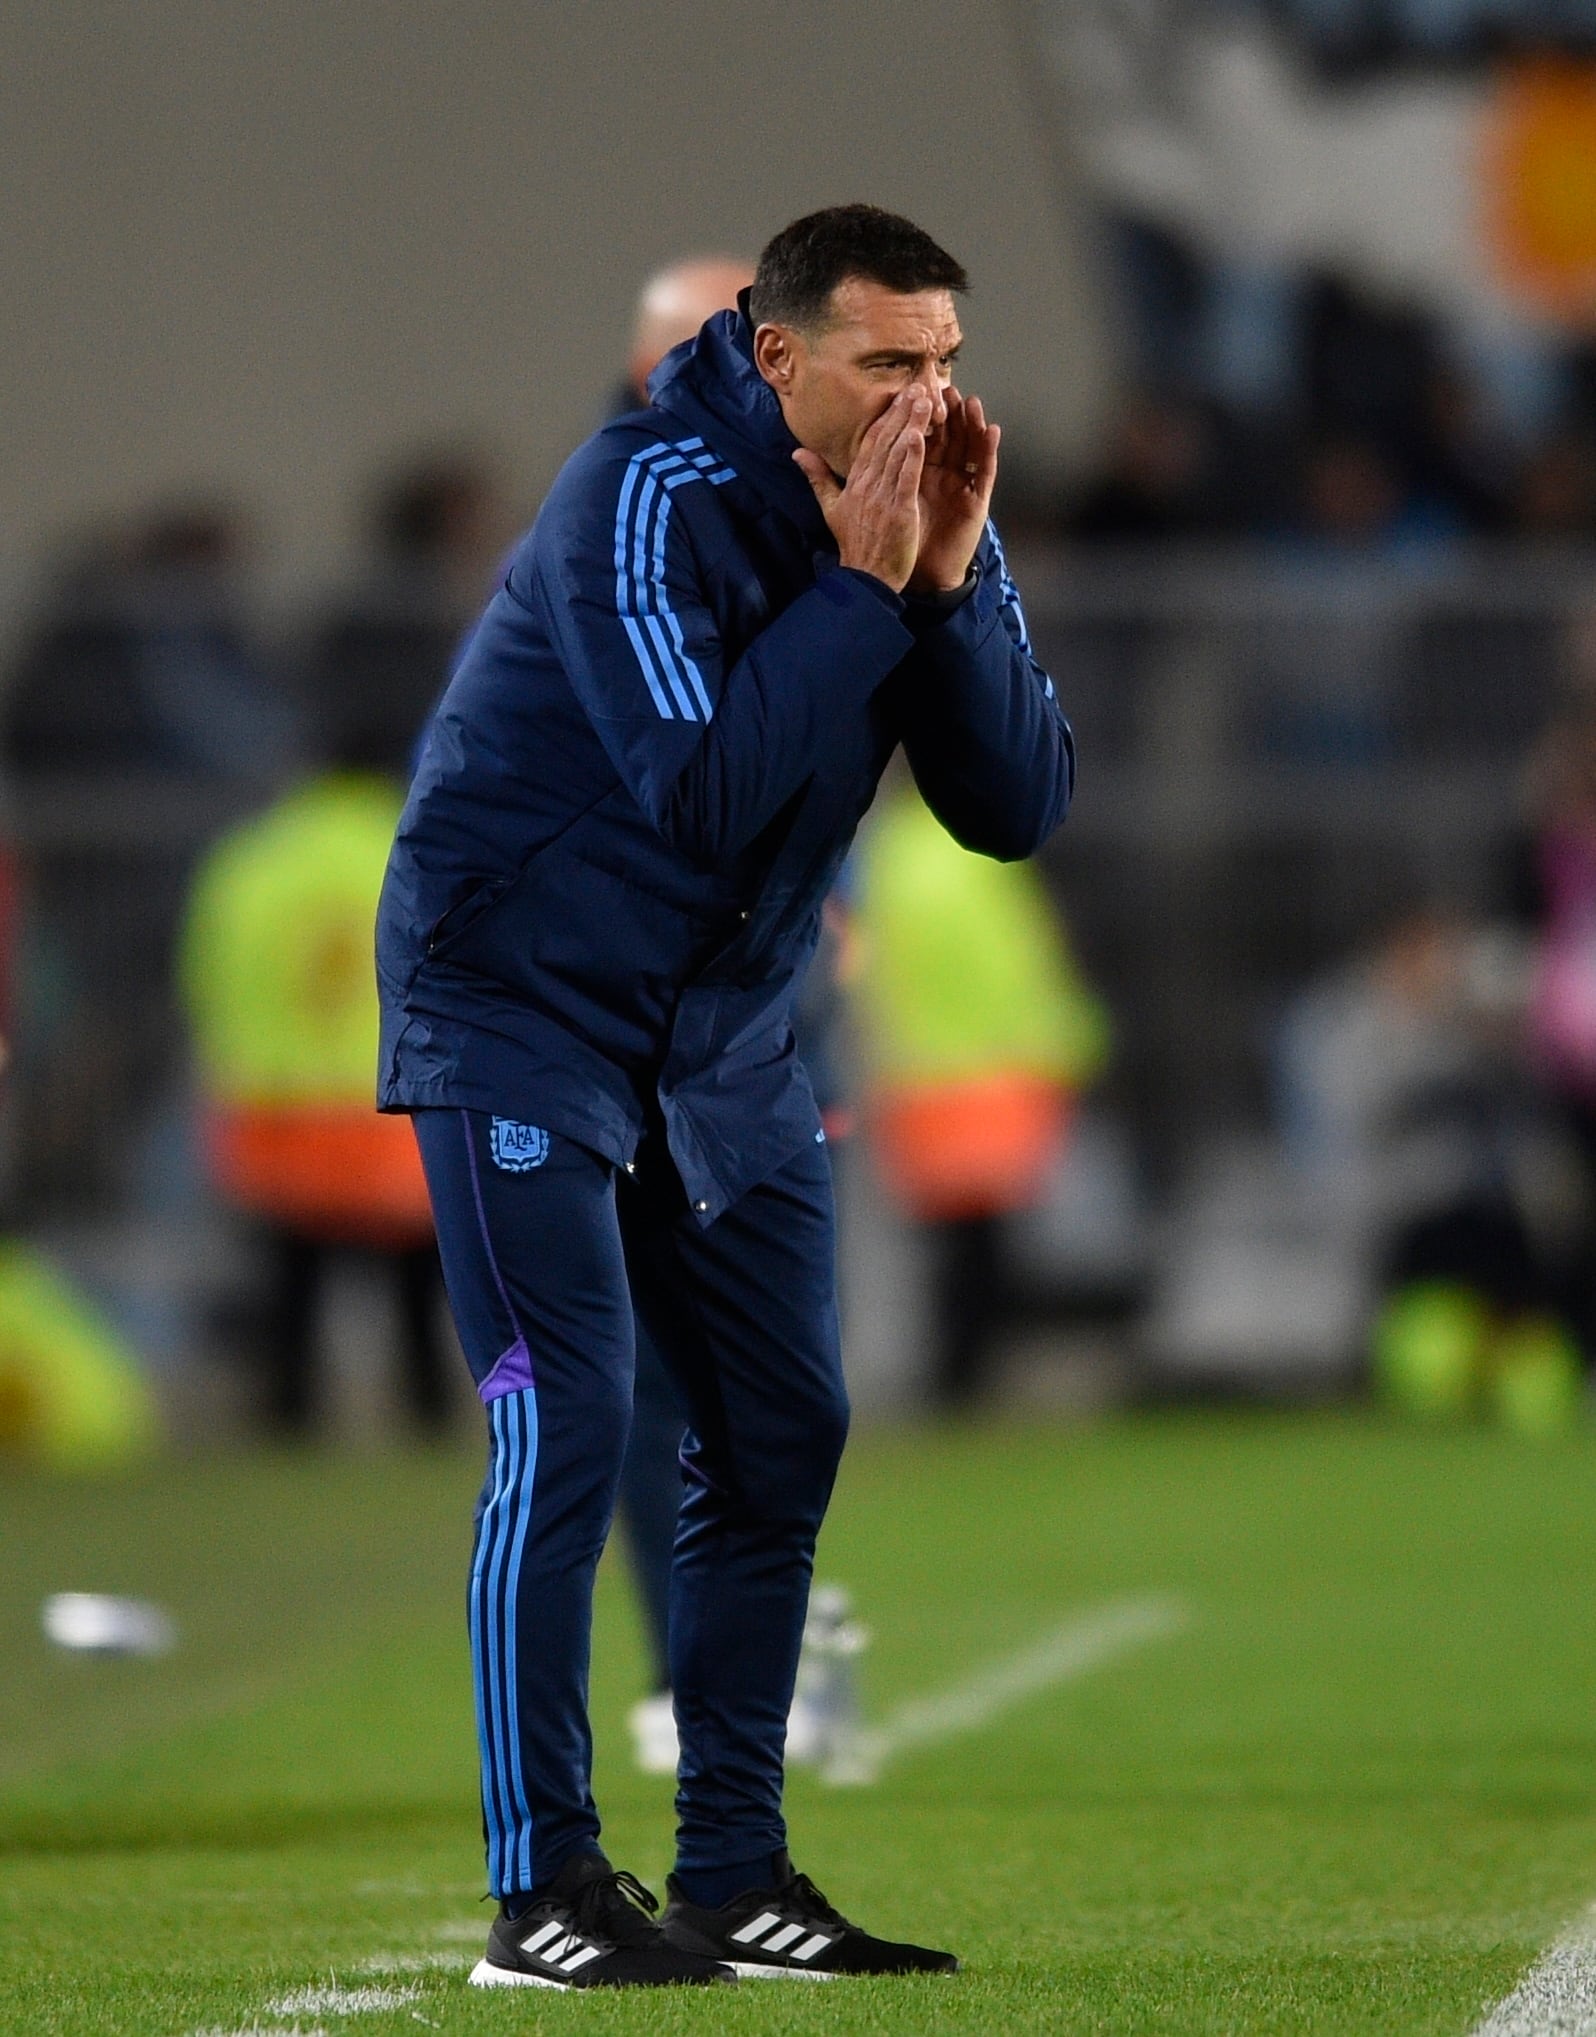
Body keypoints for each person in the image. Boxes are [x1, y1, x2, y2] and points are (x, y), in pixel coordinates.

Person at [376, 204, 1074, 1989]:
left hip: (723, 1033)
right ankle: (541, 1891)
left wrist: (947, 581)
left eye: (945, 361)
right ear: (782, 357)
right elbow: (697, 786)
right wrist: (859, 594)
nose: (929, 398)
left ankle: (737, 1875)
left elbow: (1016, 806)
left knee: (785, 1427)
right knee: (574, 1418)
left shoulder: (925, 498)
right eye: (887, 363)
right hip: (518, 1005)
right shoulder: (642, 492)